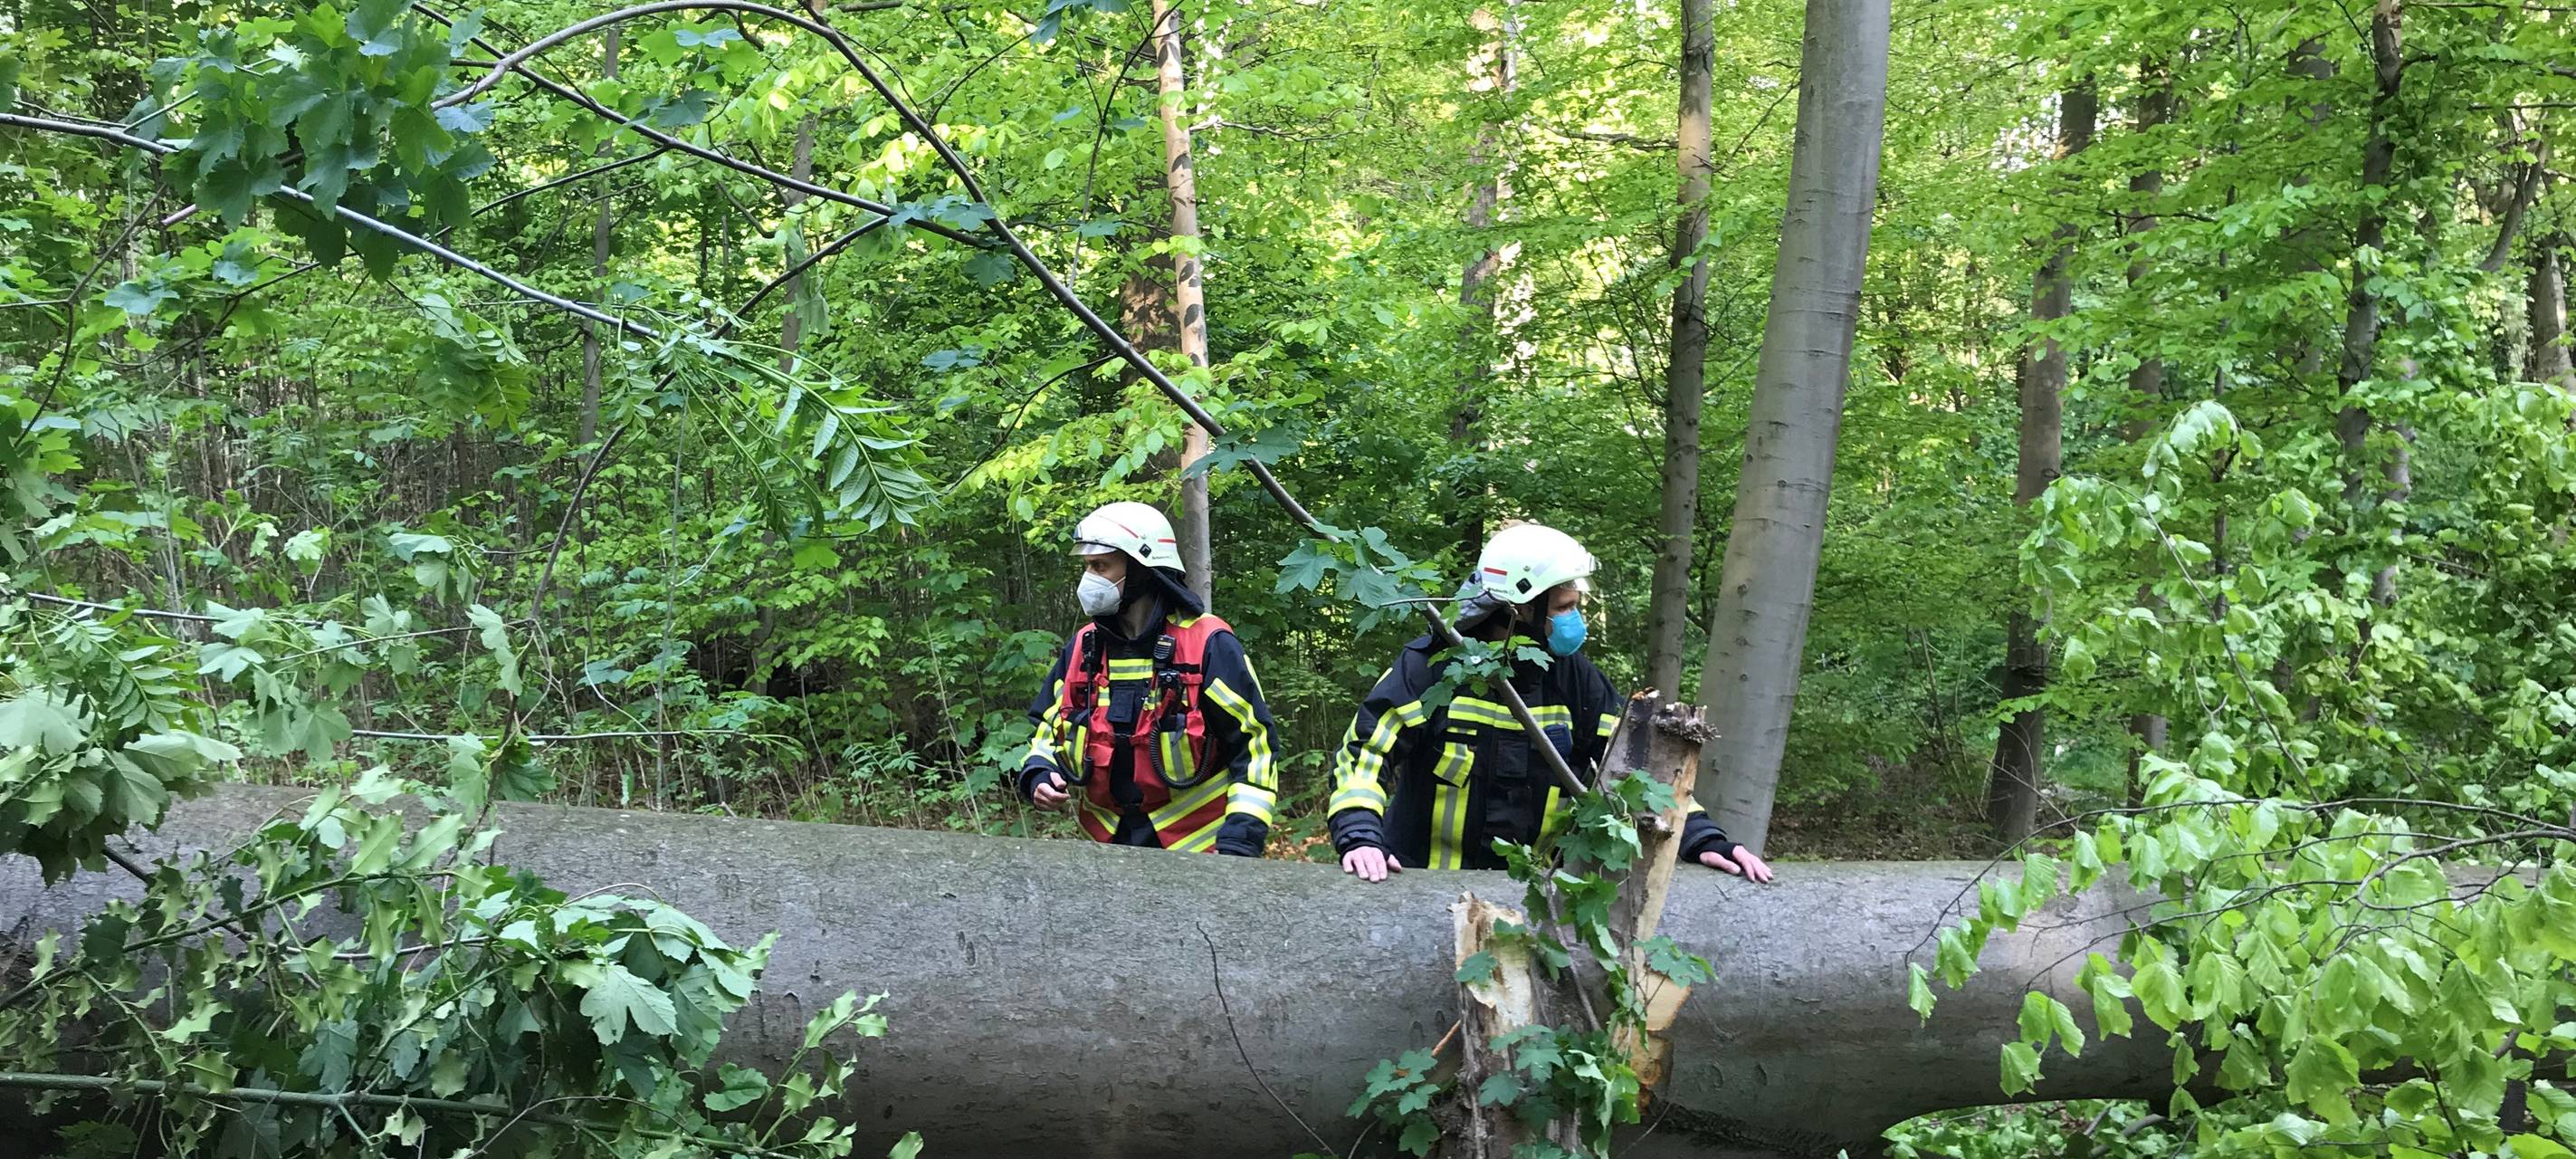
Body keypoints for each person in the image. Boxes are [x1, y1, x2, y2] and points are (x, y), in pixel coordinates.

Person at [1326, 522, 1776, 883]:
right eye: (1562, 607)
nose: (1574, 618)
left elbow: (1635, 772)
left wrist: (1703, 838)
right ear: (1517, 607)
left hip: (1534, 898)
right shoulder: (1430, 669)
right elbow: (1363, 756)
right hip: (1419, 889)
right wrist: (1361, 836)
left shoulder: (1577, 681)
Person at [1016, 501, 1278, 856]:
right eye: (1087, 567)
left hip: (1201, 848)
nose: (1088, 579)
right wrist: (1039, 773)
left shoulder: (1207, 643)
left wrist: (1240, 842)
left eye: (1100, 566)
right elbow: (1050, 727)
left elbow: (1254, 748)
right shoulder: (1084, 647)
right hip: (1106, 845)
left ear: (1142, 569)